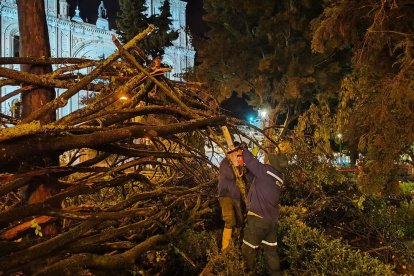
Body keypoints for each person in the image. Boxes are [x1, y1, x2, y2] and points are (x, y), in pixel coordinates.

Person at [238, 142, 288, 276]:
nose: (267, 160)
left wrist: (245, 149)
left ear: (271, 164)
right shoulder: (278, 178)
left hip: (258, 218)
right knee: (271, 252)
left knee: (248, 249)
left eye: (268, 160)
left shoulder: (265, 170)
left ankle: (250, 273)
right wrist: (246, 172)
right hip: (271, 222)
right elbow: (255, 178)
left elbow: (251, 161)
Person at [218, 141, 244, 250]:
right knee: (229, 220)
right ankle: (225, 248)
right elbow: (230, 175)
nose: (236, 155)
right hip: (225, 195)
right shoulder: (225, 162)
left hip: (235, 195)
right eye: (236, 153)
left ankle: (236, 243)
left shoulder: (237, 163)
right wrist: (238, 169)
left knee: (240, 220)